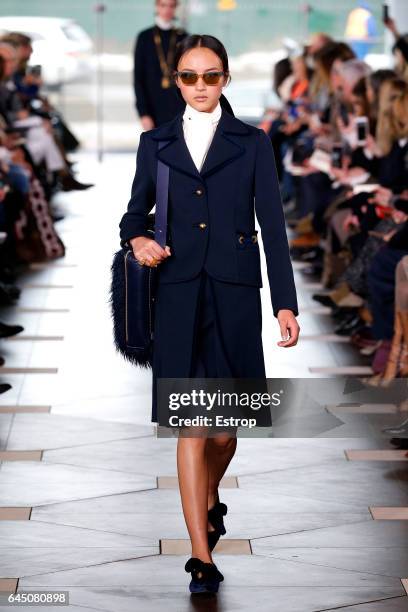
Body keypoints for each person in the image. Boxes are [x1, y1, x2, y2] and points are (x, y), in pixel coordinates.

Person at [119, 34, 300, 595]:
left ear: (225, 80)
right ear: (175, 81)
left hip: (235, 291)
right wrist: (140, 239)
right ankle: (201, 555)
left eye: (211, 76)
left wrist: (285, 303)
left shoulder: (252, 142)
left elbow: (273, 224)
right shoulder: (156, 141)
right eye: (189, 77)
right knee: (191, 425)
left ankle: (211, 495)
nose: (200, 86)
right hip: (175, 292)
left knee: (226, 431)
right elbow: (133, 214)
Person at [133, 0, 188, 129]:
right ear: (157, 6)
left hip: (179, 109)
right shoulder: (144, 37)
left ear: (176, 7)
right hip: (153, 108)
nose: (167, 10)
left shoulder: (184, 37)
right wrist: (143, 113)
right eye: (163, 5)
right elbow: (138, 78)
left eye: (171, 6)